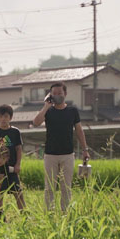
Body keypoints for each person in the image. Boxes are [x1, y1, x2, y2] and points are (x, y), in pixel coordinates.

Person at [32, 82, 90, 211]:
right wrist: (46, 106)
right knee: (50, 187)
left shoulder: (72, 111)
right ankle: (49, 213)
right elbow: (36, 122)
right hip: (50, 155)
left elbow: (79, 131)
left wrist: (85, 150)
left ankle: (65, 213)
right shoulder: (48, 111)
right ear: (50, 95)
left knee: (66, 187)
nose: (57, 95)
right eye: (54, 93)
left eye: (60, 93)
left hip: (68, 154)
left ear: (65, 94)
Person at [0, 104, 26, 212]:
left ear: (10, 118)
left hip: (12, 168)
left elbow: (18, 149)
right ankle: (0, 216)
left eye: (6, 117)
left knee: (18, 193)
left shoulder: (15, 132)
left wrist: (18, 164)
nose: (3, 119)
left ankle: (24, 216)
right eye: (1, 117)